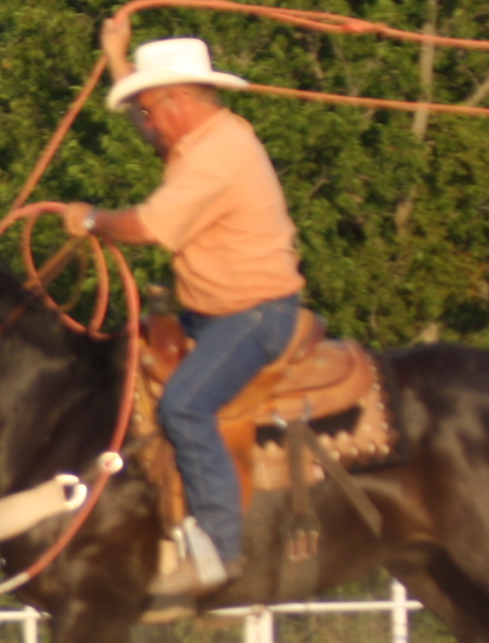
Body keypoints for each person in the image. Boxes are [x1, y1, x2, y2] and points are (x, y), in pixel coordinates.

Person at [55, 34, 307, 598]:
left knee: (186, 406)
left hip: (256, 315)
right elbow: (150, 130)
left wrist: (93, 220)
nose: (146, 124)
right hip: (216, 314)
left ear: (176, 101)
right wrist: (119, 59)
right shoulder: (201, 139)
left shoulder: (218, 155)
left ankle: (220, 548)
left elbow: (147, 227)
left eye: (149, 109)